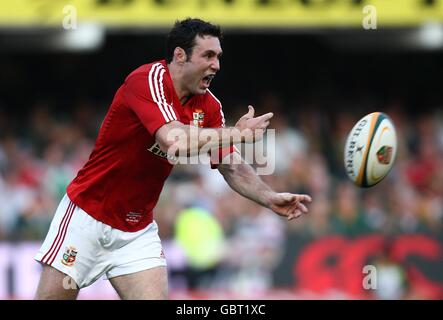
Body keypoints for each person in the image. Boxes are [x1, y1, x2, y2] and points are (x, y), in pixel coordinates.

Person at [34, 18, 312, 300]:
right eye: (208, 55)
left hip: (135, 231)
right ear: (180, 55)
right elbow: (174, 141)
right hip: (87, 217)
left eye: (218, 57)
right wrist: (237, 134)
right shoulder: (147, 80)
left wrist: (268, 197)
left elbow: (231, 164)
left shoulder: (210, 106)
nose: (216, 65)